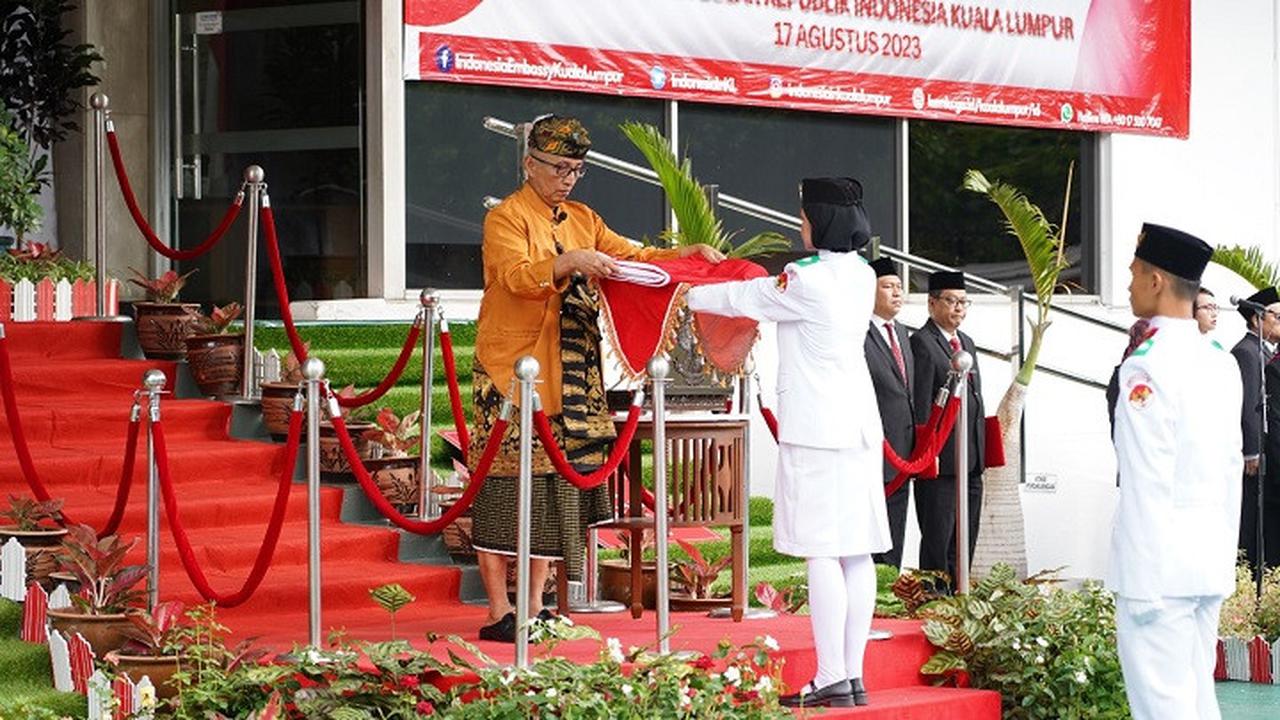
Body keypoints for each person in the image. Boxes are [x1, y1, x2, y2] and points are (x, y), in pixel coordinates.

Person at [469, 114, 723, 643]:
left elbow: (633, 255)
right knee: (502, 492)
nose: (567, 178)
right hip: (510, 374)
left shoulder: (583, 217)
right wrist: (569, 262)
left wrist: (683, 255)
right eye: (559, 168)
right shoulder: (506, 218)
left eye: (576, 170)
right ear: (529, 163)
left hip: (571, 372)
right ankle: (498, 611)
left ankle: (534, 607)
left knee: (553, 490)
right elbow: (516, 277)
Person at [686, 177, 889, 708]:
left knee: (821, 552)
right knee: (855, 554)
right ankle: (854, 675)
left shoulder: (804, 279)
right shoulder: (863, 275)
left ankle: (829, 676)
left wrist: (683, 290)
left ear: (818, 220)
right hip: (860, 429)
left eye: (803, 215)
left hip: (818, 431)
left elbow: (741, 297)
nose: (799, 224)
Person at [1109, 223, 1241, 720]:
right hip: (1206, 559)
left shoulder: (1147, 364)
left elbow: (1146, 476)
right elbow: (1231, 466)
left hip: (1159, 568)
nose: (1128, 285)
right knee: (1197, 702)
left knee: (1162, 707)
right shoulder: (1218, 360)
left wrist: (1141, 581)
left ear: (1157, 280)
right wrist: (1223, 561)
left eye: (1135, 273)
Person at [910, 270, 985, 591]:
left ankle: (959, 594)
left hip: (970, 459)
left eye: (963, 302)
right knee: (938, 537)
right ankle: (931, 600)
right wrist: (928, 455)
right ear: (932, 303)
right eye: (951, 301)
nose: (958, 308)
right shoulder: (922, 344)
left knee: (964, 537)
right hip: (940, 461)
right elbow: (922, 406)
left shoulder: (965, 342)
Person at [864, 256, 915, 570]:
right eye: (888, 287)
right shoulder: (859, 332)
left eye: (899, 287)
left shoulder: (903, 333)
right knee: (871, 526)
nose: (897, 293)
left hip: (903, 450)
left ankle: (892, 583)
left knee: (897, 523)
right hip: (872, 446)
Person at [1230, 286, 1280, 573]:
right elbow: (1249, 404)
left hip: (1266, 449)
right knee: (1252, 518)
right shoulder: (1247, 352)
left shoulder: (1263, 350)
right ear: (1257, 320)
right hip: (1255, 452)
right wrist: (1251, 450)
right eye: (1276, 316)